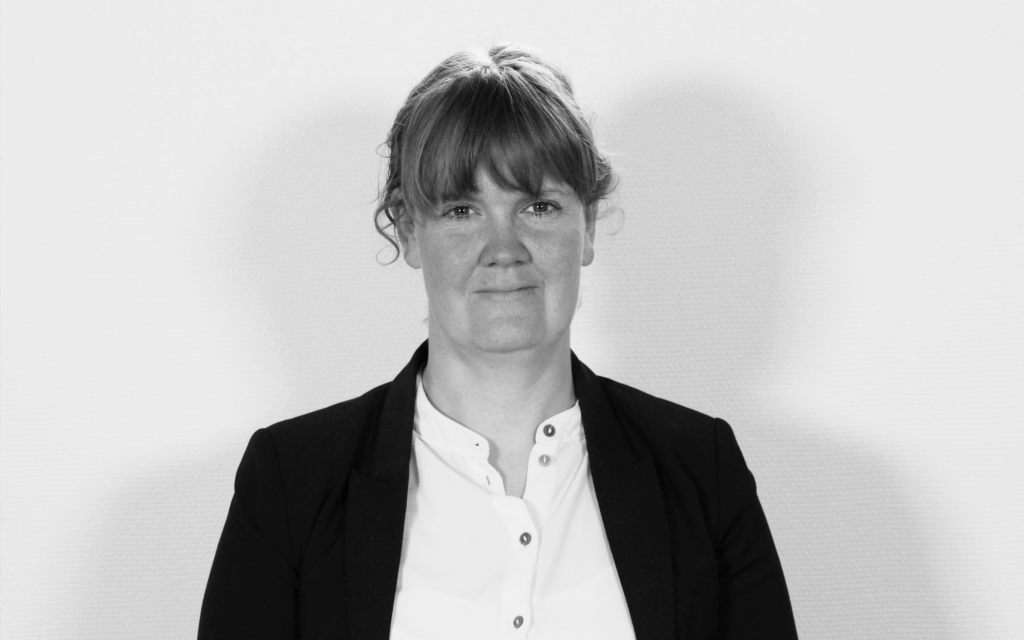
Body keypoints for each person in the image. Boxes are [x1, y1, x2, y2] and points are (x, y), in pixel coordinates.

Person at [198, 44, 798, 640]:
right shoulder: (291, 484)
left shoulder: (701, 471)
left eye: (538, 206)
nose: (503, 249)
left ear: (587, 226)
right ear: (408, 232)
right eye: (462, 210)